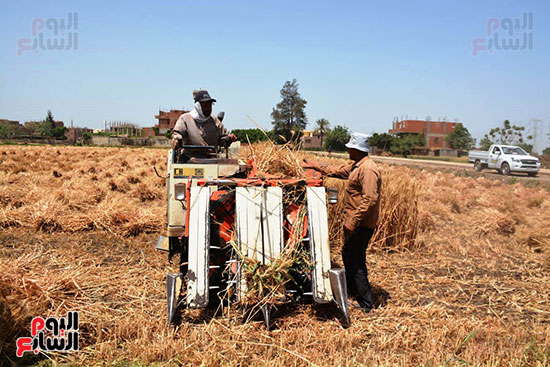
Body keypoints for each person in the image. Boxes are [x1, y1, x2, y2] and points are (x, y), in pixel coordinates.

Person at [302, 132, 381, 313]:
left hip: (361, 223)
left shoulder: (368, 169)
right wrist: (316, 166)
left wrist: (353, 220)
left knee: (356, 260)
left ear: (357, 149)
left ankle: (365, 304)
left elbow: (370, 199)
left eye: (350, 148)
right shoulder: (357, 166)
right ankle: (354, 293)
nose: (347, 150)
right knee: (348, 255)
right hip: (355, 221)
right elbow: (337, 171)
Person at [171, 90, 237, 150]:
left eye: (210, 106)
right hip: (189, 157)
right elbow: (177, 134)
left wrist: (229, 139)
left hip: (212, 158)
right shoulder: (185, 119)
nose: (209, 109)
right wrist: (177, 140)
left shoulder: (215, 122)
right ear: (198, 106)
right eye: (205, 106)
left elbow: (222, 140)